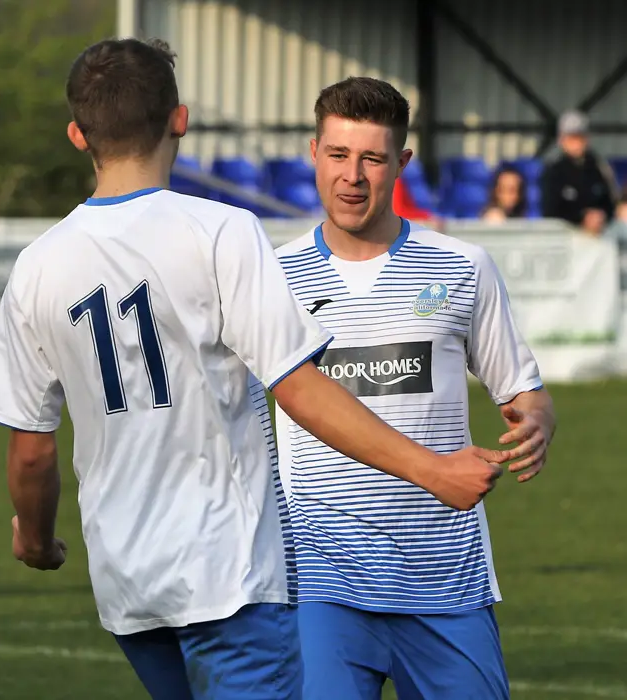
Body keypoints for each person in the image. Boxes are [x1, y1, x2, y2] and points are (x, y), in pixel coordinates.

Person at [0, 39, 512, 700]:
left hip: (128, 584)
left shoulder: (36, 266)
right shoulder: (220, 230)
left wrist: (35, 540)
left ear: (75, 134)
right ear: (180, 119)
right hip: (226, 575)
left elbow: (31, 453)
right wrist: (431, 468)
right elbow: (297, 387)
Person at [273, 77, 557, 700]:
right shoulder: (274, 277)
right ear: (313, 153)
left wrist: (535, 423)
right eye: (340, 155)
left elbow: (521, 392)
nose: (353, 176)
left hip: (444, 580)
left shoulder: (462, 265)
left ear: (401, 162)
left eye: (373, 158)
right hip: (320, 582)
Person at [541, 110, 618, 235]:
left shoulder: (598, 167)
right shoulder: (553, 171)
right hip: (568, 234)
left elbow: (610, 203)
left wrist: (601, 216)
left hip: (600, 232)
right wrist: (582, 217)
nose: (576, 142)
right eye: (571, 137)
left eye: (580, 137)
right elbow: (550, 212)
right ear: (561, 140)